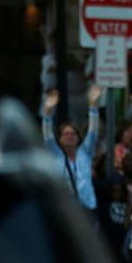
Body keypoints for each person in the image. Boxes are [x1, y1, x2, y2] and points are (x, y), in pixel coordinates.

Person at [42, 84, 103, 213]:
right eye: (66, 134)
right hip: (66, 210)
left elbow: (93, 131)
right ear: (60, 139)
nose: (69, 136)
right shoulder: (56, 154)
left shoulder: (85, 152)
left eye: (73, 134)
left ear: (78, 138)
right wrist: (47, 112)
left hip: (87, 209)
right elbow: (47, 136)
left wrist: (93, 105)